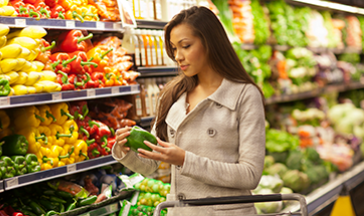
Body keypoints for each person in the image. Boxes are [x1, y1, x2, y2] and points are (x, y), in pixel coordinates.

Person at [112, 6, 265, 216]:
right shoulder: (173, 94)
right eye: (174, 48)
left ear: (210, 43)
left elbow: (250, 175)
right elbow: (151, 164)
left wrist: (185, 160)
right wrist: (125, 150)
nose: (178, 56)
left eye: (185, 46)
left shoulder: (244, 95)